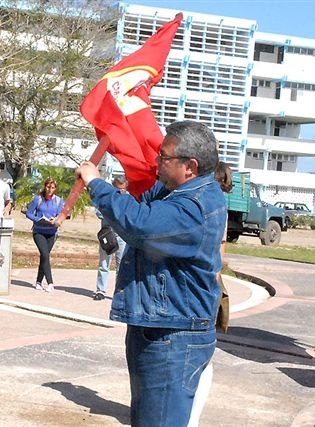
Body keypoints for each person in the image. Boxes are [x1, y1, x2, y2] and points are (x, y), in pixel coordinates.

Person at [76, 120, 226, 426]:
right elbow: (138, 200)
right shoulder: (177, 192)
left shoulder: (194, 205)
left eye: (164, 157)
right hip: (162, 328)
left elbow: (139, 223)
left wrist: (95, 183)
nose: (157, 161)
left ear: (190, 166)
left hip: (173, 337)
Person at [187, 160, 234, 427]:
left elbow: (218, 250)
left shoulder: (209, 206)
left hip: (203, 286)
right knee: (203, 354)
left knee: (200, 356)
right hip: (210, 283)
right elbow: (221, 252)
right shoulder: (220, 208)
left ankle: (190, 418)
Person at [26, 177, 64, 292]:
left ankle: (38, 281)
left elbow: (61, 215)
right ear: (44, 186)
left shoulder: (58, 201)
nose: (49, 190)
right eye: (48, 187)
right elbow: (29, 213)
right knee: (45, 254)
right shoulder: (38, 199)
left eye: (52, 187)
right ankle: (50, 283)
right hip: (39, 231)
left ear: (55, 189)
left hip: (51, 232)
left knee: (44, 256)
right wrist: (37, 219)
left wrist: (55, 220)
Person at [93, 176, 128, 301]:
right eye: (118, 189)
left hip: (122, 236)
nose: (121, 192)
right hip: (107, 234)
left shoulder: (128, 198)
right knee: (104, 263)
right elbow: (98, 211)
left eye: (123, 189)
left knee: (121, 266)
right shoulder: (106, 197)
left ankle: (119, 292)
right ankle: (100, 290)